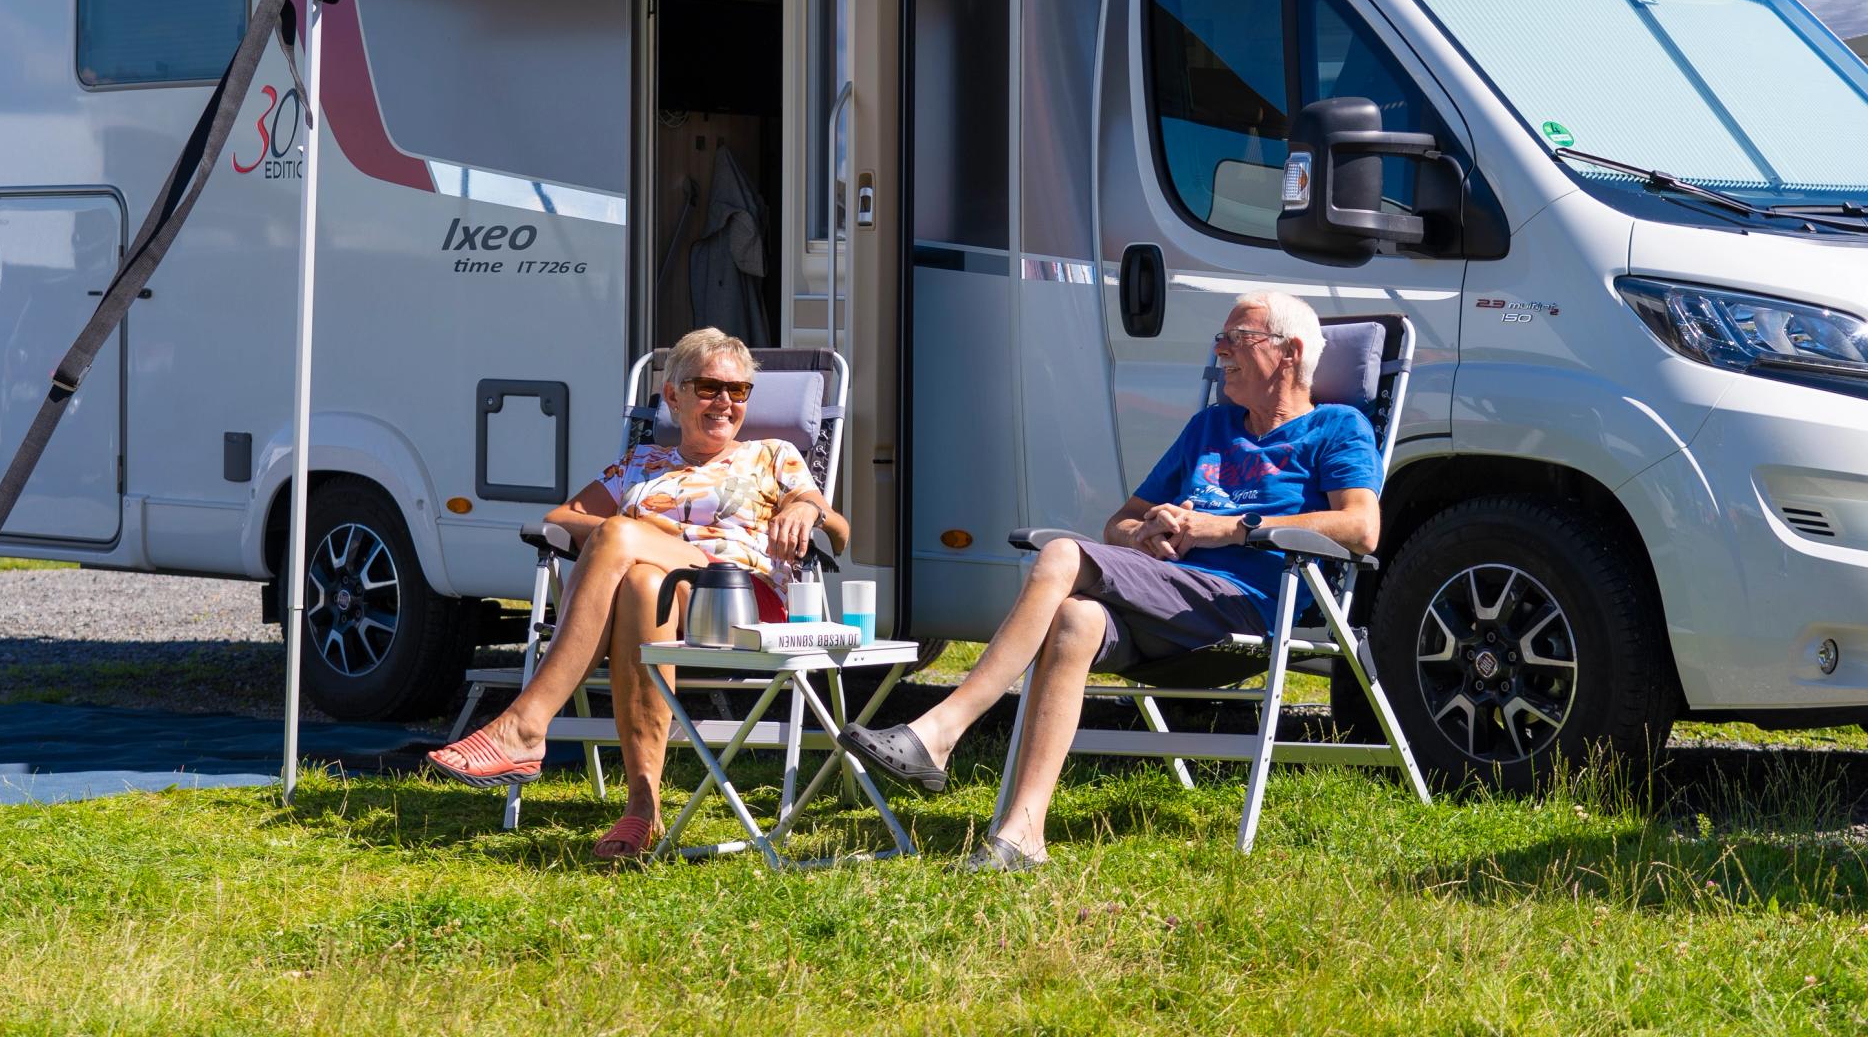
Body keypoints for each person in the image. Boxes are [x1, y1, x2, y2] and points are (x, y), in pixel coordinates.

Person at [841, 291, 1380, 870]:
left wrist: (1229, 528)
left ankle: (943, 729)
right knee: (1075, 619)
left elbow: (1361, 527)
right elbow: (1118, 521)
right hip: (1169, 595)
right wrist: (1149, 530)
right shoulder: (1209, 428)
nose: (1219, 350)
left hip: (1244, 604)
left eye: (1235, 338)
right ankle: (1023, 834)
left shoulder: (1335, 427)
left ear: (1290, 352)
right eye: (1219, 339)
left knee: (1061, 555)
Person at [427, 327, 846, 860]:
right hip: (659, 597)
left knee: (619, 535)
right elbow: (561, 519)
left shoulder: (772, 454)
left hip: (736, 600)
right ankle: (641, 810)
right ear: (673, 395)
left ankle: (526, 725)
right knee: (640, 579)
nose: (725, 402)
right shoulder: (642, 463)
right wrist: (644, 544)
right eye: (710, 387)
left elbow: (840, 531)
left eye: (738, 391)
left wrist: (807, 507)